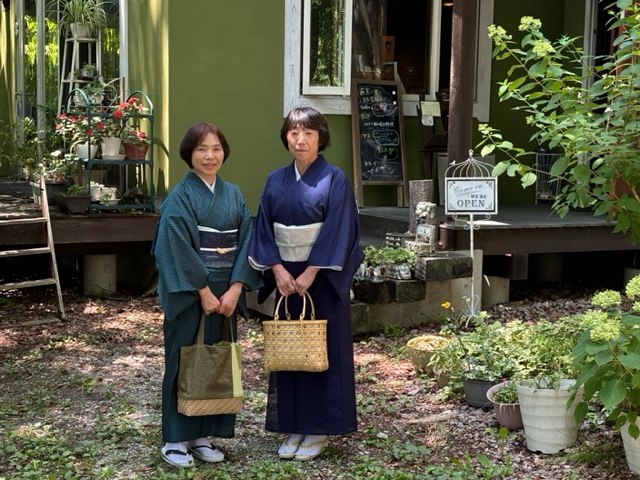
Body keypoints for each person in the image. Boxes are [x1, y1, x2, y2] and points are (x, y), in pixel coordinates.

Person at [248, 106, 364, 461]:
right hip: (286, 279)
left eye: (308, 133)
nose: (300, 140)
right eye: (294, 133)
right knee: (290, 354)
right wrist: (278, 270)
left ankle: (319, 428)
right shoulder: (274, 180)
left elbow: (340, 230)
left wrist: (312, 271)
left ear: (320, 138)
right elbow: (264, 228)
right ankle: (294, 424)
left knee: (322, 353)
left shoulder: (335, 179)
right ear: (286, 136)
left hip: (323, 278)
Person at [153, 122, 262, 468]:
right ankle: (174, 438)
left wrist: (235, 288)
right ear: (189, 154)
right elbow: (174, 245)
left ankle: (201, 434)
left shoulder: (232, 194)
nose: (210, 156)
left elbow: (247, 239)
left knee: (214, 362)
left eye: (216, 148)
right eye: (202, 149)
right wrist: (201, 289)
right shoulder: (180, 198)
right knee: (183, 358)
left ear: (224, 152)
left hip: (226, 291)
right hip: (190, 291)